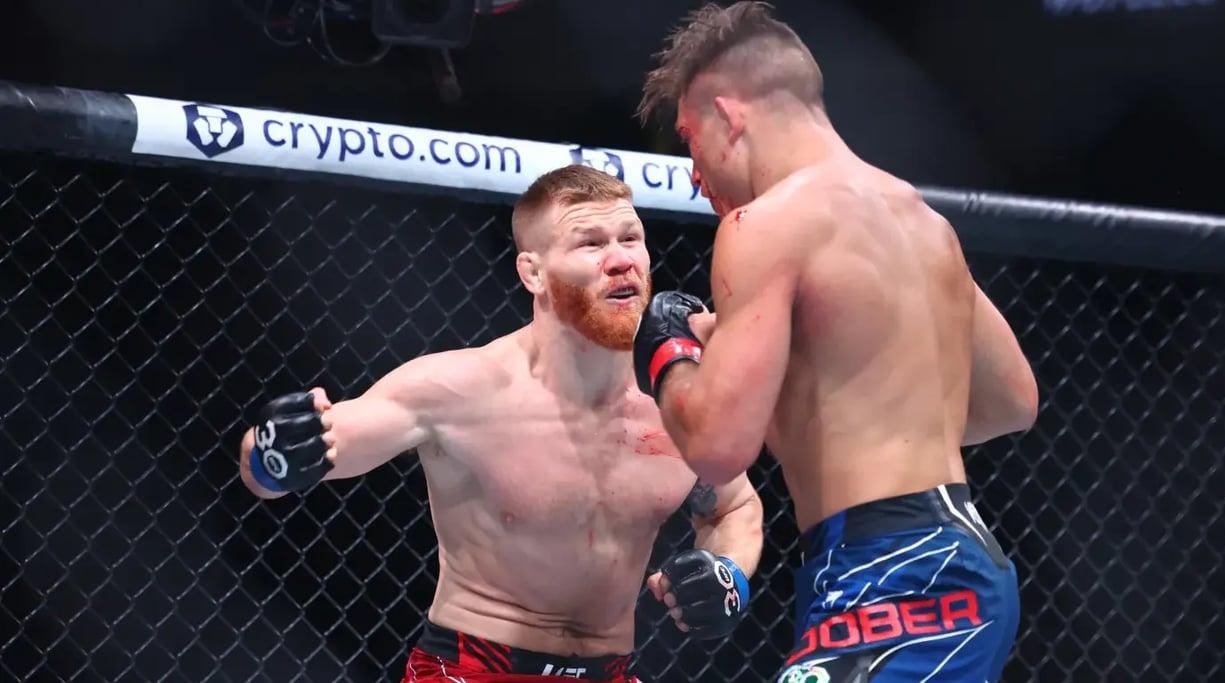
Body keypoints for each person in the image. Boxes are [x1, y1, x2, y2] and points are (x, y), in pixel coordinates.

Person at [632, 3, 1038, 681]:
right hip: (936, 557)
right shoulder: (921, 219)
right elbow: (1010, 401)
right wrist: (858, 409)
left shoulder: (764, 226)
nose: (693, 174)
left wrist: (666, 348)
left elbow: (718, 444)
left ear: (731, 118)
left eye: (688, 138)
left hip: (901, 571)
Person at [236, 164, 764, 682]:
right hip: (470, 669)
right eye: (591, 243)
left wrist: (729, 573)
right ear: (533, 272)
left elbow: (734, 507)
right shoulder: (460, 389)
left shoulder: (675, 397)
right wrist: (272, 450)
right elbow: (294, 461)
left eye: (631, 238)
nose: (621, 260)